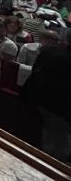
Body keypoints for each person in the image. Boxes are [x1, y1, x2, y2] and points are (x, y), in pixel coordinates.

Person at [21, 30, 71, 163]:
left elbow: (35, 73)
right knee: (56, 145)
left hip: (37, 98)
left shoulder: (49, 51)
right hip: (58, 108)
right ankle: (52, 168)